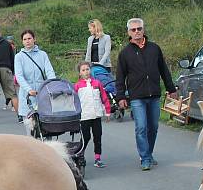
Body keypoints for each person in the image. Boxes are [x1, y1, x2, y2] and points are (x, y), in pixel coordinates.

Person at [115, 18, 177, 171]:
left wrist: (171, 89)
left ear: (143, 30)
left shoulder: (154, 48)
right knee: (141, 127)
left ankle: (148, 153)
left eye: (139, 28)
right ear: (129, 32)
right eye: (133, 29)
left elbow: (164, 70)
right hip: (137, 97)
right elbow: (120, 77)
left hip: (154, 94)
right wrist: (121, 96)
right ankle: (145, 157)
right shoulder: (125, 53)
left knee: (153, 127)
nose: (137, 32)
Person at [74, 61, 112, 168]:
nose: (86, 72)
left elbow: (104, 97)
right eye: (83, 70)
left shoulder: (97, 83)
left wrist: (107, 111)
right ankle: (80, 154)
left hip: (96, 115)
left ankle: (97, 158)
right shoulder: (77, 86)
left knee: (97, 136)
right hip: (84, 116)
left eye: (87, 69)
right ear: (80, 73)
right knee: (86, 137)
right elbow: (74, 102)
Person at [14, 29, 56, 124]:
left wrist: (52, 84)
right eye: (25, 39)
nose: (27, 41)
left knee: (46, 124)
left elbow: (49, 71)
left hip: (42, 92)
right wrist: (29, 89)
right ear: (22, 41)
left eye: (29, 38)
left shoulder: (42, 54)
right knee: (30, 125)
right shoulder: (19, 57)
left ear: (34, 39)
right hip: (27, 94)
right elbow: (19, 76)